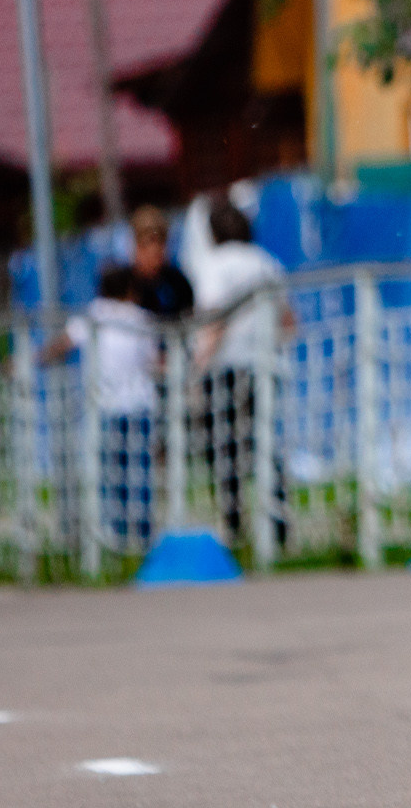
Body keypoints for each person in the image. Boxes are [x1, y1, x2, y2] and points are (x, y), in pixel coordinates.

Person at [190, 200, 293, 550]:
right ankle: (279, 526)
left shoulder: (215, 264)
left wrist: (199, 362)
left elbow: (214, 317)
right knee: (262, 443)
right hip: (264, 364)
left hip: (226, 366)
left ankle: (235, 525)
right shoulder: (266, 262)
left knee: (224, 446)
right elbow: (288, 321)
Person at [44, 266, 162, 549]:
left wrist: (37, 358)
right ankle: (141, 533)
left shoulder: (94, 315)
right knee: (140, 471)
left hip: (106, 406)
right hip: (140, 403)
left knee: (112, 472)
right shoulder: (140, 318)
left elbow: (65, 342)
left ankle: (117, 534)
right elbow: (153, 359)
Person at [124, 206, 195, 322]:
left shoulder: (178, 282)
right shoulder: (125, 287)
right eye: (146, 244)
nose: (155, 252)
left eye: (161, 243)